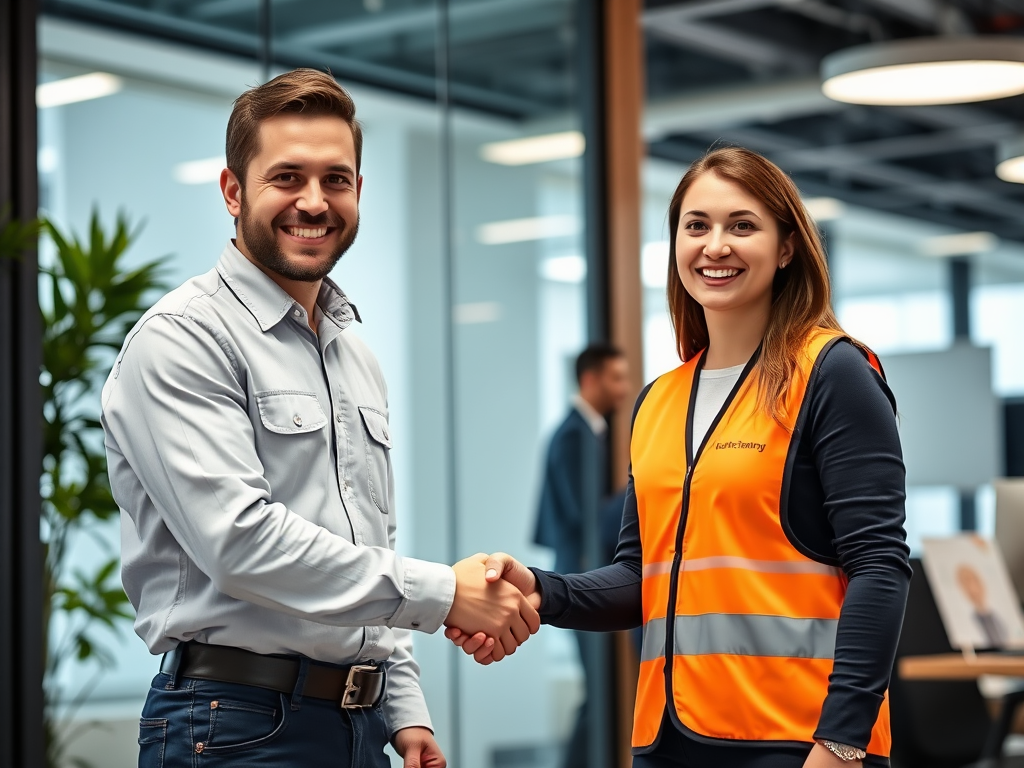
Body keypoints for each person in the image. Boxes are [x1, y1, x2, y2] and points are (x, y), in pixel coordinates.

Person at [101, 69, 538, 768]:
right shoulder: (182, 339)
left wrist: (402, 710)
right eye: (287, 177)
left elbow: (366, 543)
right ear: (233, 191)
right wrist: (449, 594)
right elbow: (240, 542)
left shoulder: (352, 354)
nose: (314, 201)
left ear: (360, 190)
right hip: (233, 726)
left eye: (336, 179)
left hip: (355, 727)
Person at [446, 147, 911, 768]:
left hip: (796, 741)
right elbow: (643, 579)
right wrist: (540, 590)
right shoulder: (659, 401)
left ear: (786, 247)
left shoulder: (831, 372)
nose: (714, 245)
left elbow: (880, 565)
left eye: (741, 225)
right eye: (696, 226)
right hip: (668, 741)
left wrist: (843, 742)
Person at [533, 343, 631, 768]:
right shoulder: (574, 435)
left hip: (588, 576)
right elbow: (583, 518)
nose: (624, 389)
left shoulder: (589, 432)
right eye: (616, 378)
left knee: (601, 694)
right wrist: (640, 495)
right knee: (601, 696)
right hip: (582, 579)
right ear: (590, 380)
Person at [956, 562, 1008, 649]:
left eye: (974, 580)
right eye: (966, 584)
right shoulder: (967, 623)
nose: (972, 588)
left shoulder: (997, 616)